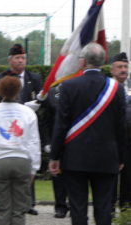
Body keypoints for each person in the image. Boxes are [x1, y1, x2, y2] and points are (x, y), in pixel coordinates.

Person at [49, 42, 126, 225]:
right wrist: (121, 157)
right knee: (104, 209)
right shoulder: (117, 88)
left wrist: (54, 156)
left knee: (78, 209)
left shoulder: (68, 86)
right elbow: (120, 126)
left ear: (82, 62)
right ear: (104, 61)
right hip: (107, 158)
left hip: (75, 157)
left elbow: (61, 125)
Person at [0, 75, 41, 225]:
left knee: (1, 209)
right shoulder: (28, 112)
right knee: (19, 210)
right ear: (19, 90)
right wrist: (34, 169)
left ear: (0, 91)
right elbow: (34, 142)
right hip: (22, 161)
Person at [0, 43, 42, 215]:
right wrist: (24, 107)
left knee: (28, 161)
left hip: (29, 127)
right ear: (10, 60)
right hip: (9, 128)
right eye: (17, 58)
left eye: (23, 58)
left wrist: (38, 103)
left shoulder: (35, 78)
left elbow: (43, 99)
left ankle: (29, 202)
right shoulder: (3, 77)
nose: (21, 61)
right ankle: (10, 200)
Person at [41, 85, 69, 218]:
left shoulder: (79, 89)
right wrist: (47, 141)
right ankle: (60, 206)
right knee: (57, 175)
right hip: (56, 139)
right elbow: (46, 119)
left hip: (74, 140)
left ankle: (75, 205)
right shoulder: (52, 92)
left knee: (75, 174)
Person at [110, 52, 131, 209]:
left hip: (129, 142)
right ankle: (107, 212)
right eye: (120, 67)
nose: (123, 70)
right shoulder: (106, 88)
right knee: (108, 182)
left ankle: (125, 212)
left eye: (125, 66)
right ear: (112, 69)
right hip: (110, 141)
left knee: (128, 182)